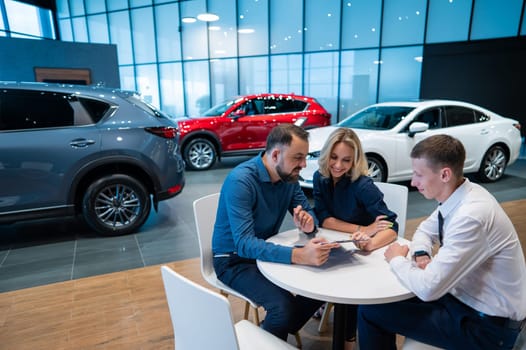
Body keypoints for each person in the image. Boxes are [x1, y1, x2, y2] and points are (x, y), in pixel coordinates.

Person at [357, 134, 526, 349]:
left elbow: (429, 289)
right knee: (378, 300)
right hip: (463, 302)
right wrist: (421, 254)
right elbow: (424, 231)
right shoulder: (463, 194)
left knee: (371, 312)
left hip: (488, 328)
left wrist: (397, 259)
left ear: (445, 174)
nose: (413, 181)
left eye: (419, 174)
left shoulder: (471, 215)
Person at [212, 123, 340, 341]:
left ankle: (269, 331)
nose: (303, 164)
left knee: (326, 281)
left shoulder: (288, 177)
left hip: (262, 252)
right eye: (297, 157)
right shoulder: (241, 181)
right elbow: (244, 244)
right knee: (282, 308)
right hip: (233, 260)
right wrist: (299, 256)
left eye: (305, 157)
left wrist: (309, 224)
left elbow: (308, 211)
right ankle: (271, 332)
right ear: (275, 154)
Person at [312, 127, 398, 349]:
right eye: (334, 157)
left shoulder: (362, 185)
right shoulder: (319, 178)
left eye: (346, 160)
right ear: (326, 154)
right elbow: (324, 219)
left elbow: (391, 225)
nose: (338, 165)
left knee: (350, 285)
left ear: (355, 160)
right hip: (338, 243)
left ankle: (348, 340)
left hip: (362, 253)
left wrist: (370, 241)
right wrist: (363, 227)